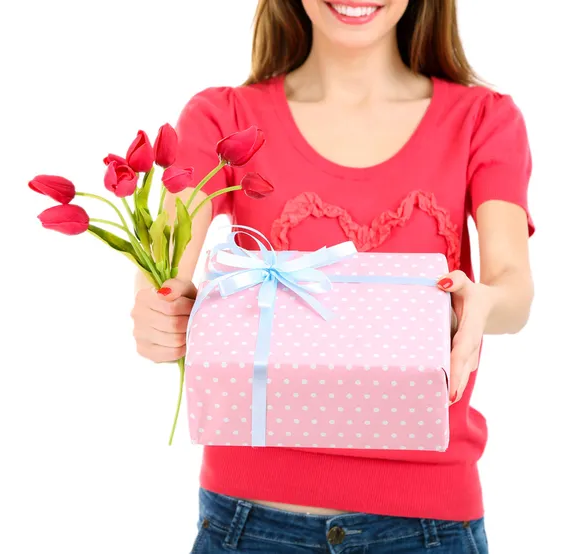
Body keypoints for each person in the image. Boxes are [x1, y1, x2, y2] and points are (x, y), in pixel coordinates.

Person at [131, 0, 534, 551]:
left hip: (430, 528)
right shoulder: (221, 118)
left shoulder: (484, 119)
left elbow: (513, 285)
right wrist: (159, 308)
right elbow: (166, 266)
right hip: (247, 525)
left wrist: (483, 303)